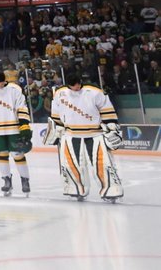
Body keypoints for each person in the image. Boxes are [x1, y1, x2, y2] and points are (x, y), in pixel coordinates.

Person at [48, 72, 123, 202]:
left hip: (95, 134)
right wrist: (56, 131)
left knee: (102, 163)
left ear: (80, 82)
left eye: (77, 85)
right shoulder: (60, 93)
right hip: (71, 134)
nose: (76, 88)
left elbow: (108, 111)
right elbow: (56, 115)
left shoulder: (94, 92)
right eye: (73, 86)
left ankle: (111, 189)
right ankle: (76, 188)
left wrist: (112, 127)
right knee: (72, 163)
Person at [0, 69, 32, 195]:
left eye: (2, 83)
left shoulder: (15, 89)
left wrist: (24, 126)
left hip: (14, 128)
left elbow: (22, 107)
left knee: (18, 154)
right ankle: (6, 180)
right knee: (2, 155)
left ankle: (25, 180)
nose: (0, 85)